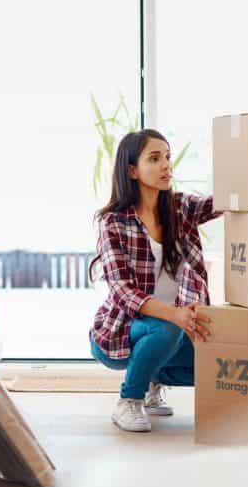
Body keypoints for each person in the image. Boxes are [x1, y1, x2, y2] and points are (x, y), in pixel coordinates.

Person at [88, 128, 222, 432]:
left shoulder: (180, 208)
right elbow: (122, 291)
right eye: (154, 158)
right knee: (166, 327)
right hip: (122, 330)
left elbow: (223, 203)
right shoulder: (113, 222)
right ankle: (129, 400)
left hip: (174, 328)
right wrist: (175, 314)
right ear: (132, 171)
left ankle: (151, 377)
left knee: (217, 364)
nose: (166, 165)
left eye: (168, 157)